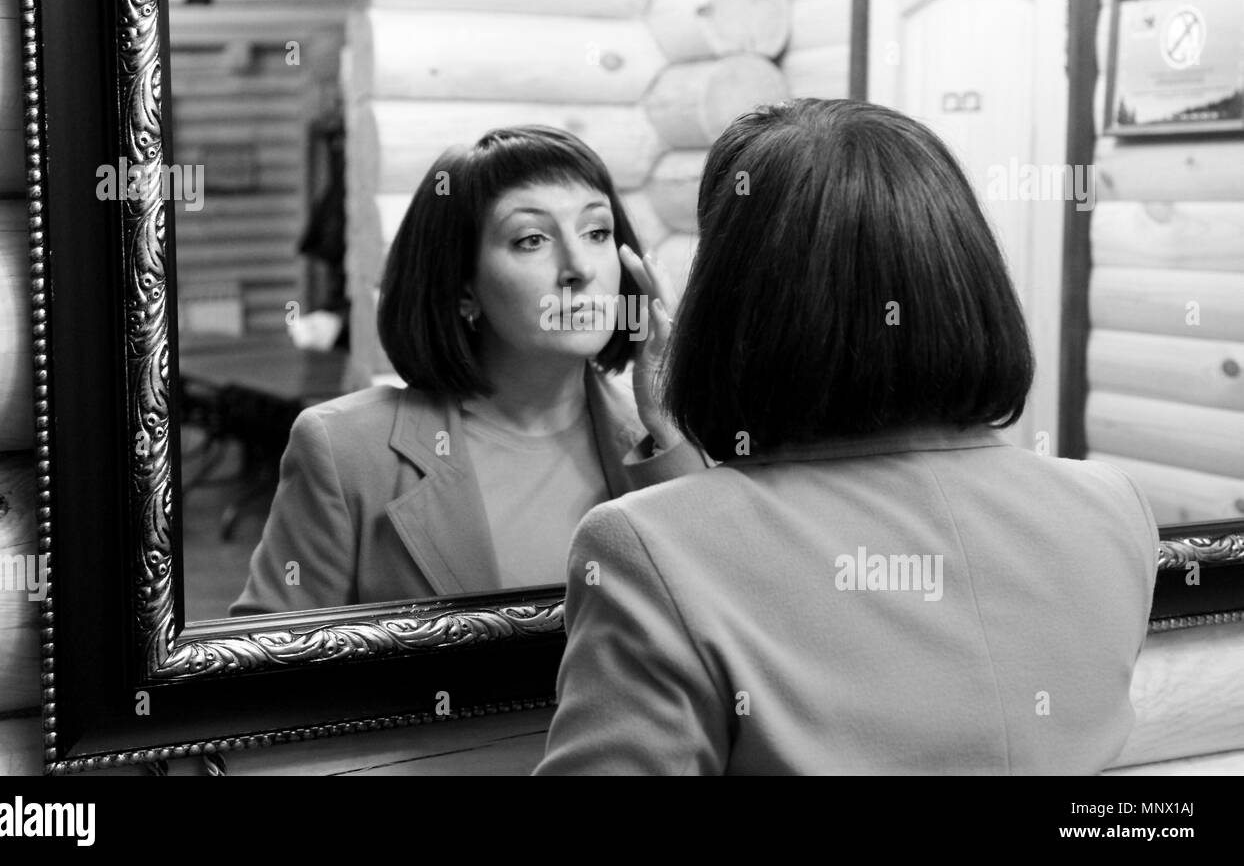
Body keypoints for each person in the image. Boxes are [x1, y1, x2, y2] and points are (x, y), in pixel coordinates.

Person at [533, 98, 1160, 775]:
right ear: (966, 271)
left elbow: (734, 566)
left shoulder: (639, 551)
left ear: (732, 299)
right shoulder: (1114, 507)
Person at [230, 125, 708, 615]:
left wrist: (668, 426)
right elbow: (266, 669)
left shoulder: (668, 444)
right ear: (464, 288)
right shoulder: (343, 451)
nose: (579, 268)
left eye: (597, 232)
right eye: (531, 239)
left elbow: (716, 627)